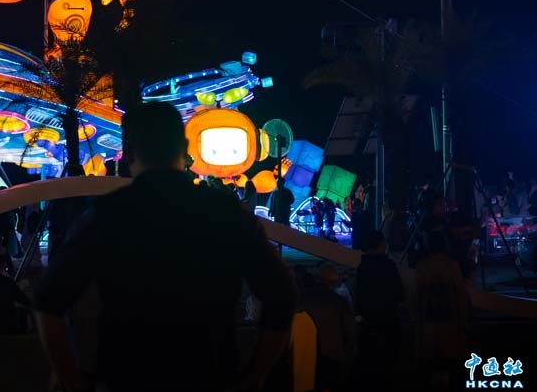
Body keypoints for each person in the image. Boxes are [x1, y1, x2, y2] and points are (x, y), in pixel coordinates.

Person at [32, 102, 296, 392]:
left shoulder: (108, 214)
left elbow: (47, 299)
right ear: (185, 148)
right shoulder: (226, 212)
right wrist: (256, 374)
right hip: (208, 375)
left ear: (129, 152)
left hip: (128, 376)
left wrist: (69, 375)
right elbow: (281, 294)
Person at [414, 226, 468, 388]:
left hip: (428, 317)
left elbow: (418, 294)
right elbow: (460, 292)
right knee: (450, 358)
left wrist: (417, 318)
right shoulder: (452, 265)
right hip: (449, 316)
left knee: (428, 359)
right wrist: (462, 316)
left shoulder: (421, 265)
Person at [353, 230, 404, 388]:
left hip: (369, 321)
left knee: (370, 362)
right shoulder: (389, 266)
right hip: (389, 319)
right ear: (381, 245)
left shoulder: (362, 267)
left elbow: (358, 295)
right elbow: (399, 293)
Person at [299, 263, 355, 392]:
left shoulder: (304, 298)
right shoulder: (339, 302)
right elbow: (350, 331)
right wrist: (346, 351)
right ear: (334, 281)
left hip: (307, 352)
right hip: (333, 354)